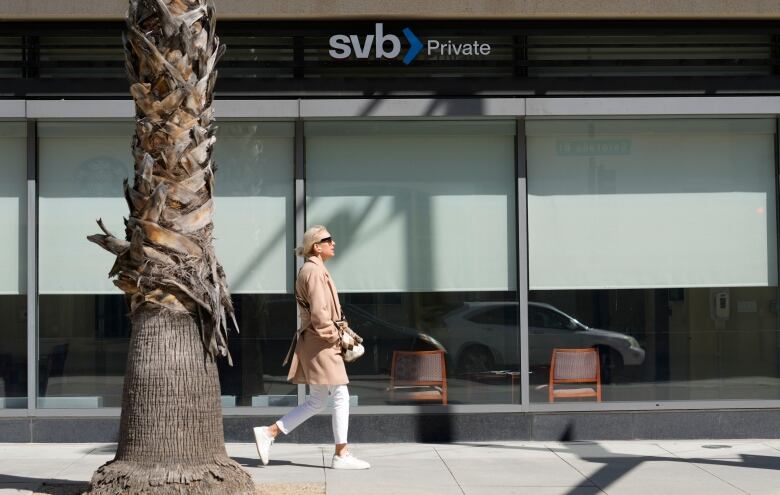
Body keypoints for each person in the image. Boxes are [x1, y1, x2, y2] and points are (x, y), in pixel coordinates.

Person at [253, 225, 371, 470]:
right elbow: (320, 315)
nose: (334, 243)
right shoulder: (314, 272)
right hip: (322, 342)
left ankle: (269, 432)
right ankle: (341, 454)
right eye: (329, 240)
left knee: (318, 400)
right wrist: (337, 338)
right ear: (317, 246)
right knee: (340, 394)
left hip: (316, 341)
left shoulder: (313, 270)